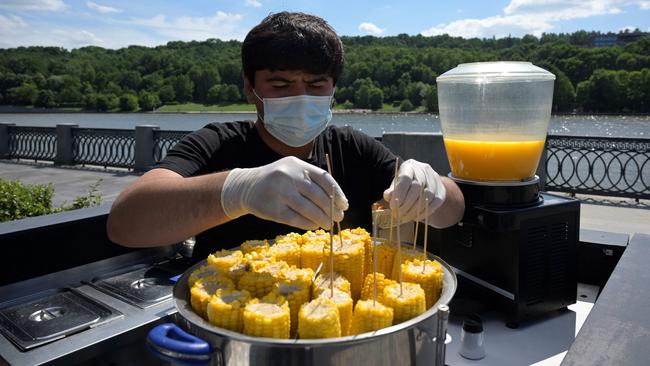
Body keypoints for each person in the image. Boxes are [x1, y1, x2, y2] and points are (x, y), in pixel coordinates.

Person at [107, 12, 464, 261]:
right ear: (250, 89)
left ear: (333, 90)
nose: (301, 96)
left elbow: (454, 209)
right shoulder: (217, 143)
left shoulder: (352, 148)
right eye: (280, 84)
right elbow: (126, 222)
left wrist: (432, 190)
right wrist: (238, 190)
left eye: (315, 84)